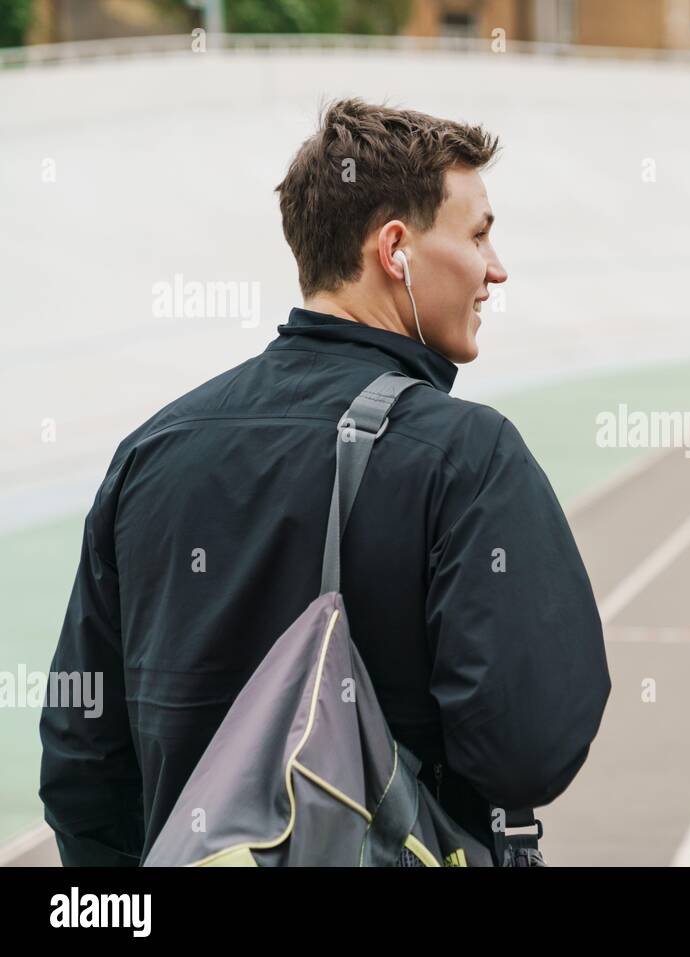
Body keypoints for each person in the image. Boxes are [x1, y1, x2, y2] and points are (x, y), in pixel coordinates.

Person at [38, 98, 612, 865]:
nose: (496, 268)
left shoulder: (152, 452)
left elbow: (82, 760)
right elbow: (530, 746)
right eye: (478, 234)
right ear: (395, 250)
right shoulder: (467, 457)